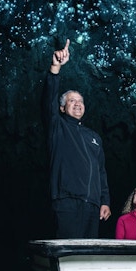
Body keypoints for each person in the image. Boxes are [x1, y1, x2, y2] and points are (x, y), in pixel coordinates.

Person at [42, 39, 111, 239]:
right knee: (67, 250)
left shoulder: (94, 137)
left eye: (80, 101)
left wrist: (104, 201)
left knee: (88, 254)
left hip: (92, 205)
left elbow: (101, 172)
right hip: (66, 202)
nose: (77, 104)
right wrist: (55, 67)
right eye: (72, 101)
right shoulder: (57, 126)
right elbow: (48, 100)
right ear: (62, 107)